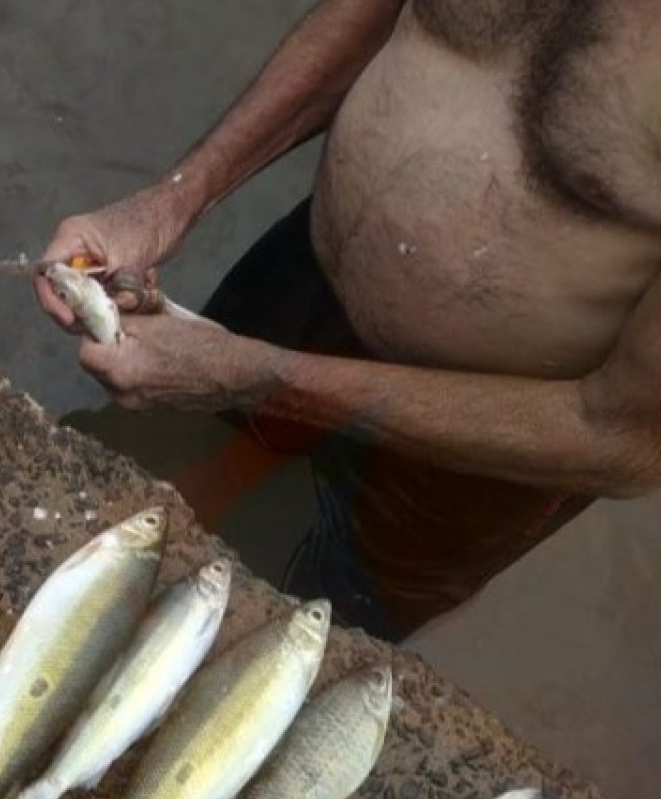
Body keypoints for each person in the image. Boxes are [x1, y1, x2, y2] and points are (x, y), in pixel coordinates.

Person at [34, 0, 661, 641]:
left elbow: (626, 439)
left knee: (310, 627)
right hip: (311, 275)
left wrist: (247, 375)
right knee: (150, 490)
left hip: (481, 445)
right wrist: (174, 199)